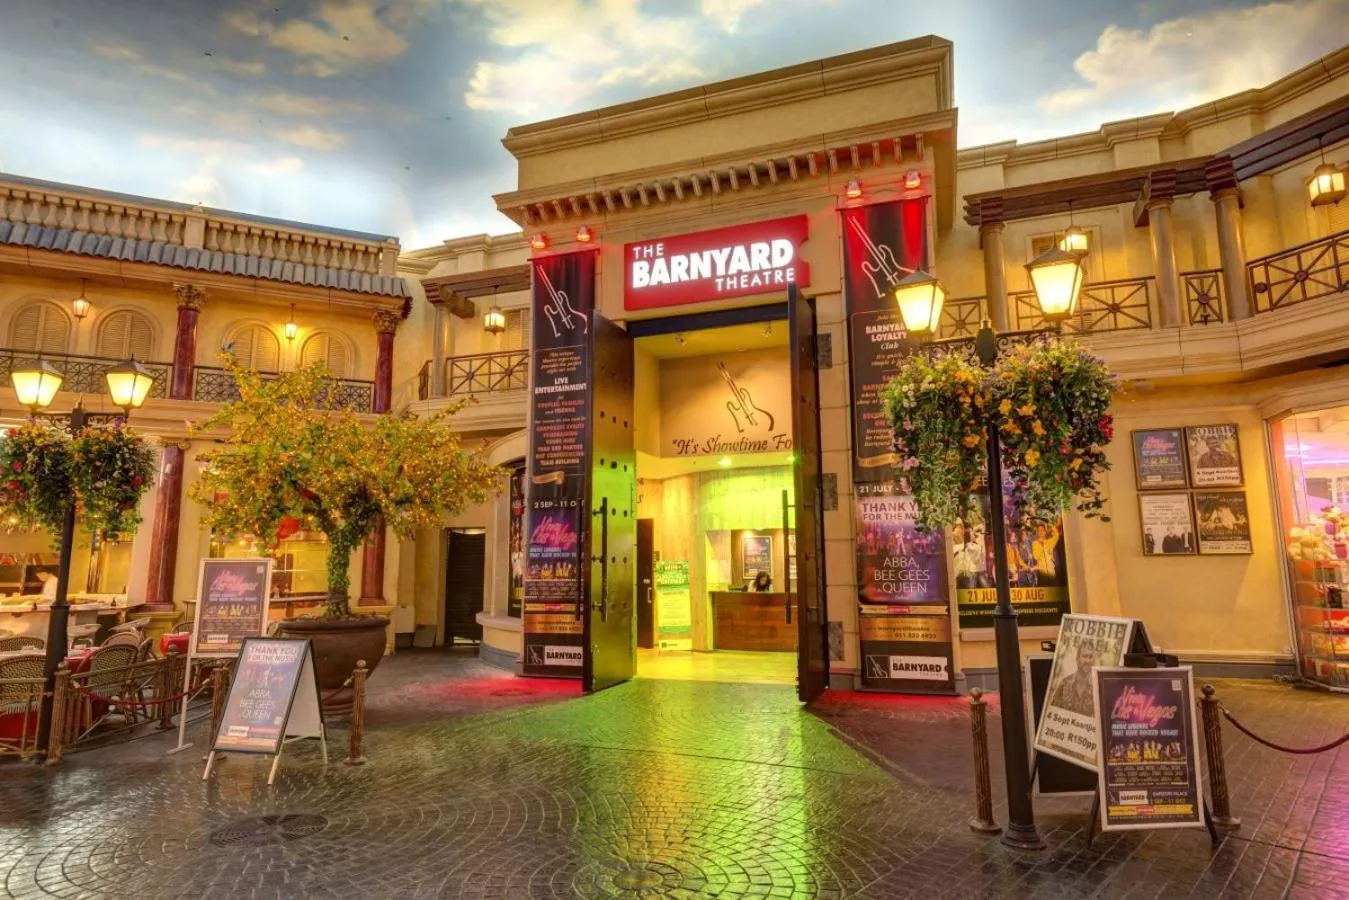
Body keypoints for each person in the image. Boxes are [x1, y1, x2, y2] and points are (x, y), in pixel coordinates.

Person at [1047, 638, 1097, 718]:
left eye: (1090, 657)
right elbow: (1052, 715)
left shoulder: (1097, 688)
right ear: (1077, 659)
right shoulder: (1064, 684)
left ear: (1093, 661)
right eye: (1084, 656)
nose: (1087, 660)